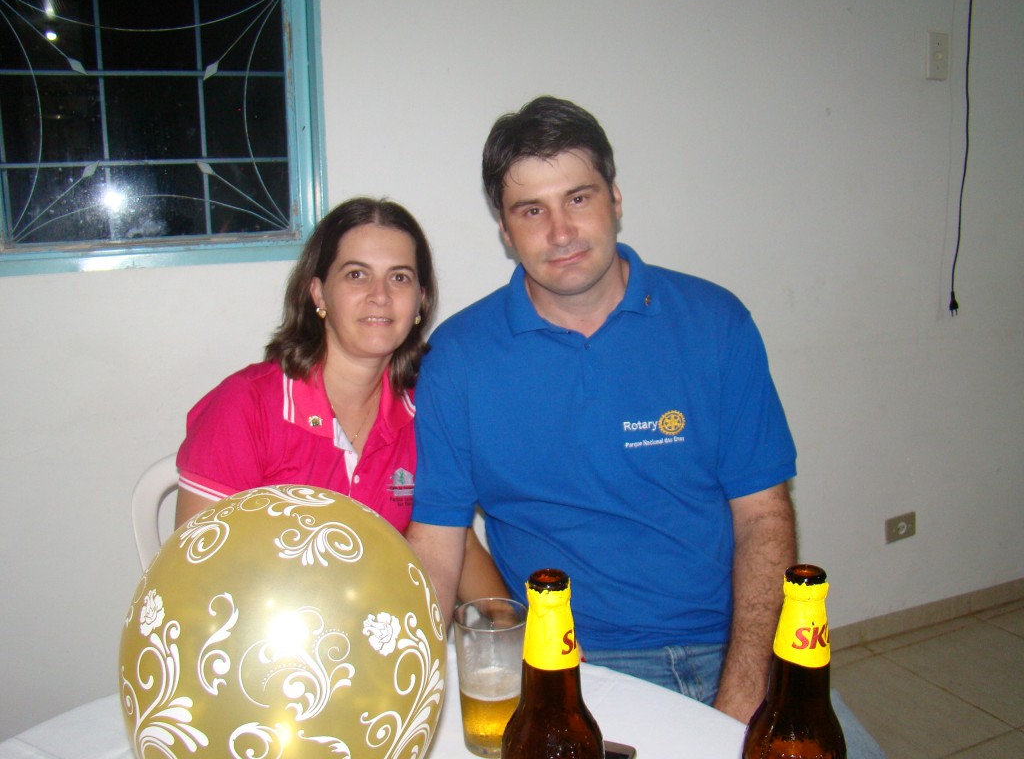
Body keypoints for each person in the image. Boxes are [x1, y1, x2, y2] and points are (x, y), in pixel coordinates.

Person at [405, 96, 796, 722]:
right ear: (505, 230)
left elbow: (764, 518)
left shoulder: (715, 323)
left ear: (615, 199)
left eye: (578, 198)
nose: (560, 233)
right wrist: (408, 699)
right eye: (532, 210)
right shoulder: (458, 358)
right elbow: (436, 544)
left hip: (730, 646)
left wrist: (741, 703)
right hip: (570, 666)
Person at [175, 196, 506, 603]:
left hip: (381, 633)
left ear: (421, 300)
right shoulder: (245, 406)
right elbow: (195, 574)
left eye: (399, 277)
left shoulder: (427, 411)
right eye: (356, 275)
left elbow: (451, 537)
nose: (380, 295)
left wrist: (512, 624)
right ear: (318, 293)